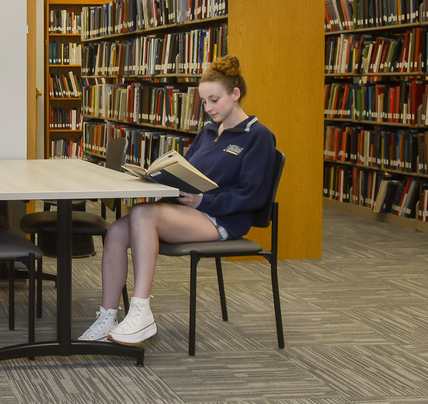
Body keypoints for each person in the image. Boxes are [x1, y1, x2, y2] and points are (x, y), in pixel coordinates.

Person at [78, 55, 278, 345]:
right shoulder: (208, 132)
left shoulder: (258, 136)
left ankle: (141, 311)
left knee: (144, 215)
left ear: (235, 95)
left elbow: (253, 195)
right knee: (117, 230)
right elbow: (191, 173)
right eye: (205, 102)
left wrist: (203, 203)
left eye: (214, 100)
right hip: (189, 211)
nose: (208, 109)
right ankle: (107, 316)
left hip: (220, 220)